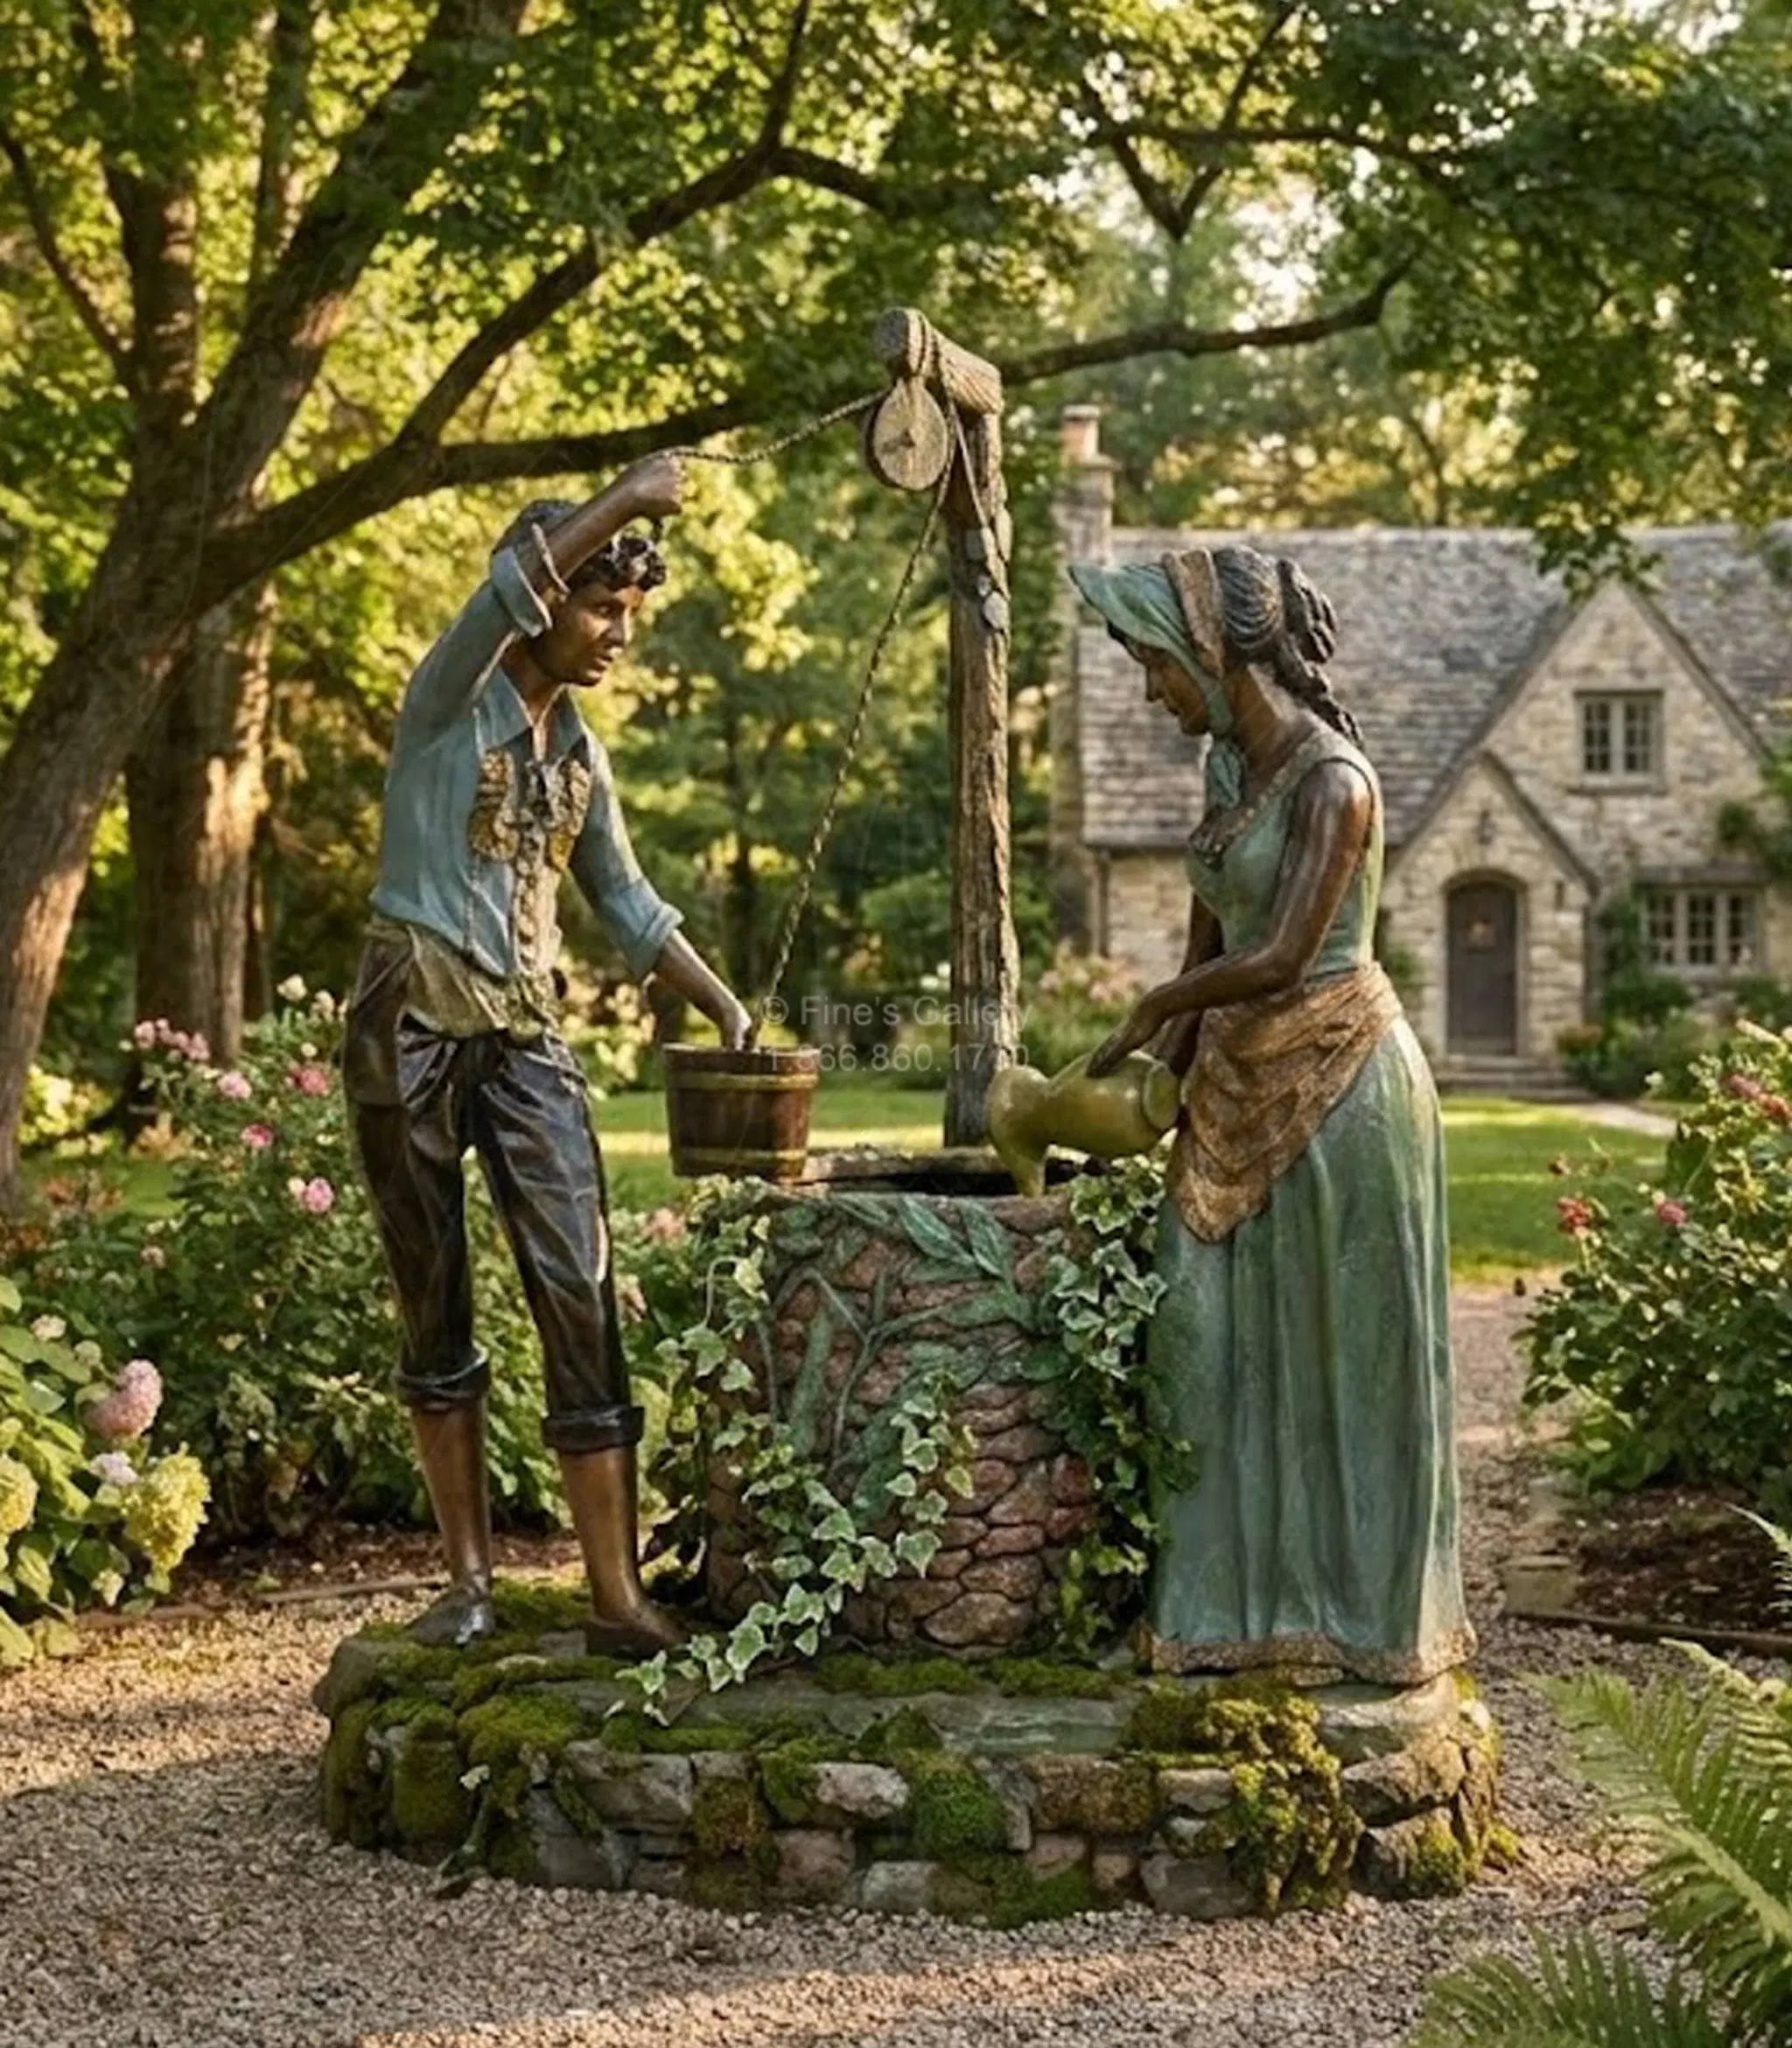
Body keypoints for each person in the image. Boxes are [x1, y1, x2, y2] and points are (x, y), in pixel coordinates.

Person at [342, 451, 750, 1653]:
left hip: (525, 1036)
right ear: (548, 599)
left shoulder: (579, 753)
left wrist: (722, 1004)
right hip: (406, 1018)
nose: (618, 632)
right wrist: (625, 495)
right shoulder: (445, 702)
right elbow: (500, 586)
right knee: (434, 1295)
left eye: (630, 611)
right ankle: (467, 1580)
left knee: (578, 1282)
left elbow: (624, 902)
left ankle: (615, 1596)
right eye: (601, 605)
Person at [1077, 543, 1474, 1686]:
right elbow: (1210, 946)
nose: (1152, 690)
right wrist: (1158, 1066)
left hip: (1345, 1088)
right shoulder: (1225, 775)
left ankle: (1353, 1621)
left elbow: (1284, 953)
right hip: (1235, 1085)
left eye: (1156, 664)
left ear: (1211, 651)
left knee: (1343, 1353)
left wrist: (1161, 1002)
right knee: (1202, 1342)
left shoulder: (1333, 783)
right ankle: (1220, 1608)